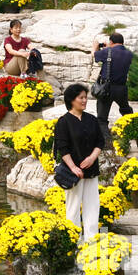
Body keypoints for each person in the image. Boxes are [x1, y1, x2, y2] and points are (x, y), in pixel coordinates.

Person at [54, 83, 105, 242]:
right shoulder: (64, 122)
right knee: (73, 207)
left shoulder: (92, 119)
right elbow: (63, 148)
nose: (84, 100)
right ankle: (74, 241)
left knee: (92, 206)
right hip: (73, 173)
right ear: (71, 100)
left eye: (85, 97)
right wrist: (74, 167)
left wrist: (92, 158)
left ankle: (91, 240)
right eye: (81, 97)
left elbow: (100, 142)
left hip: (91, 170)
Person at [92, 33, 134, 141]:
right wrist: (109, 48)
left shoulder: (107, 52)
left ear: (111, 42)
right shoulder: (129, 54)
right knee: (126, 112)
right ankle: (130, 134)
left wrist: (95, 46)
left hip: (107, 89)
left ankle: (107, 142)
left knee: (102, 118)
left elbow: (95, 56)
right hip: (122, 88)